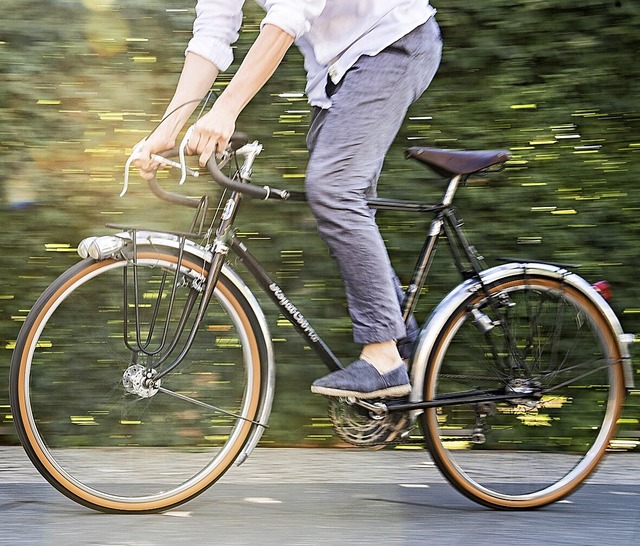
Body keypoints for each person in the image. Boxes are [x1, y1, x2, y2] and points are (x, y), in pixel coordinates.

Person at [136, 0, 442, 400]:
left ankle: (384, 356)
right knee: (343, 206)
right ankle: (404, 339)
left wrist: (225, 109)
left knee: (333, 189)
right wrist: (168, 128)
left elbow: (287, 17)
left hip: (392, 43)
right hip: (337, 70)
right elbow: (212, 34)